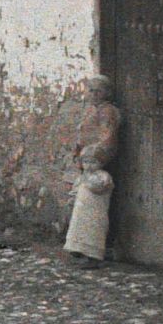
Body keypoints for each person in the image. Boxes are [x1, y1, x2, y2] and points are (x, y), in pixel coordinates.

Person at [64, 74, 122, 265]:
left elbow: (108, 139)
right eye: (91, 90)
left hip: (99, 164)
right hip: (87, 164)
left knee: (95, 210)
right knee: (84, 208)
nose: (94, 94)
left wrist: (94, 159)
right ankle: (81, 246)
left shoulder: (108, 112)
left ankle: (95, 252)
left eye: (99, 90)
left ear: (108, 93)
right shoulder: (91, 111)